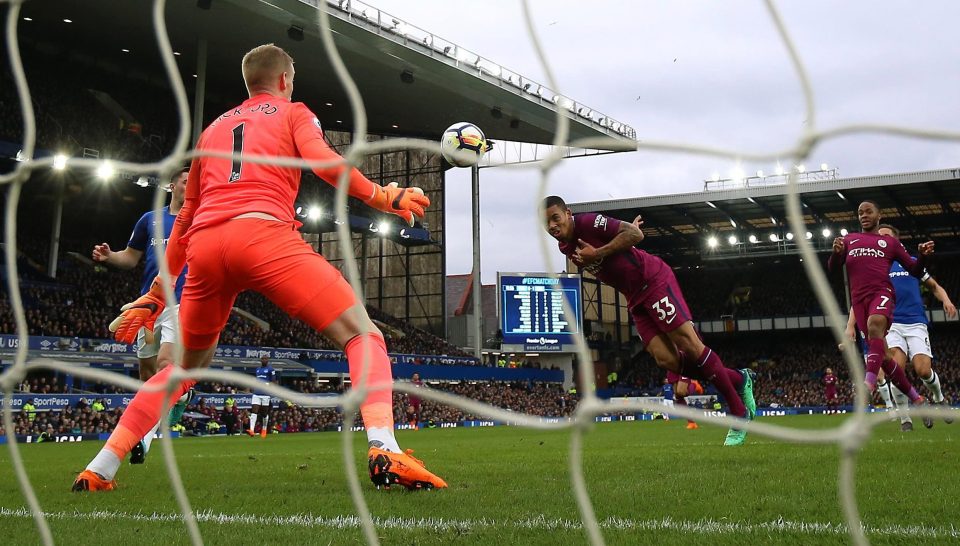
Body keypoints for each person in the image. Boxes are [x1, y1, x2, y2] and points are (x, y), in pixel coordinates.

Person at [73, 43, 444, 492]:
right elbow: (325, 163)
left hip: (206, 249)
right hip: (262, 235)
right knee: (364, 334)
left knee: (182, 369)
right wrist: (381, 197)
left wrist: (155, 295)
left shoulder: (211, 130)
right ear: (285, 79)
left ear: (249, 82)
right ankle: (384, 446)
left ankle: (99, 468)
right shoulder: (293, 111)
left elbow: (185, 222)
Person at [542, 196, 755, 446]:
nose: (553, 226)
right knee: (666, 359)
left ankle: (738, 413)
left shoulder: (588, 223)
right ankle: (739, 379)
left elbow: (634, 235)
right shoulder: (564, 247)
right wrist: (616, 244)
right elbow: (622, 244)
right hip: (633, 297)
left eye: (556, 218)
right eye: (547, 223)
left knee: (688, 344)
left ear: (567, 213)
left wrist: (601, 250)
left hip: (652, 281)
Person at [92, 168, 195, 464]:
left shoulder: (199, 218)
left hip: (182, 302)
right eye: (185, 180)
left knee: (165, 365)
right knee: (147, 377)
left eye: (194, 182)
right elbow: (131, 256)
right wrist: (110, 256)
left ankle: (144, 439)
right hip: (149, 305)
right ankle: (183, 397)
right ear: (172, 185)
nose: (190, 185)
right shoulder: (151, 220)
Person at [828, 200, 934, 414]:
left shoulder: (890, 244)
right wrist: (837, 253)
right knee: (885, 358)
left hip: (882, 294)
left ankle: (867, 383)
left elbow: (914, 270)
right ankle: (917, 397)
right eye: (860, 212)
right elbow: (832, 268)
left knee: (875, 324)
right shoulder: (849, 239)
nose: (864, 215)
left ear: (879, 215)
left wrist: (922, 255)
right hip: (859, 301)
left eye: (868, 212)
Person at [850, 223, 956, 430]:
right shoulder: (874, 268)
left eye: (885, 237)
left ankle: (939, 398)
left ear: (895, 241)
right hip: (891, 323)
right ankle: (905, 419)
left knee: (923, 370)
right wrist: (850, 325)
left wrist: (946, 300)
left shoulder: (911, 263)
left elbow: (933, 286)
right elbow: (860, 299)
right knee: (895, 368)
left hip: (915, 322)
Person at [248, 356, 277, 438]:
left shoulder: (271, 369)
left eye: (265, 359)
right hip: (256, 393)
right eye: (262, 359)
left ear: (268, 360)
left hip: (265, 394)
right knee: (254, 411)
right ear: (261, 360)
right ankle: (251, 430)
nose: (264, 360)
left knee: (264, 413)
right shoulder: (257, 369)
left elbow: (273, 382)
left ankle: (264, 429)